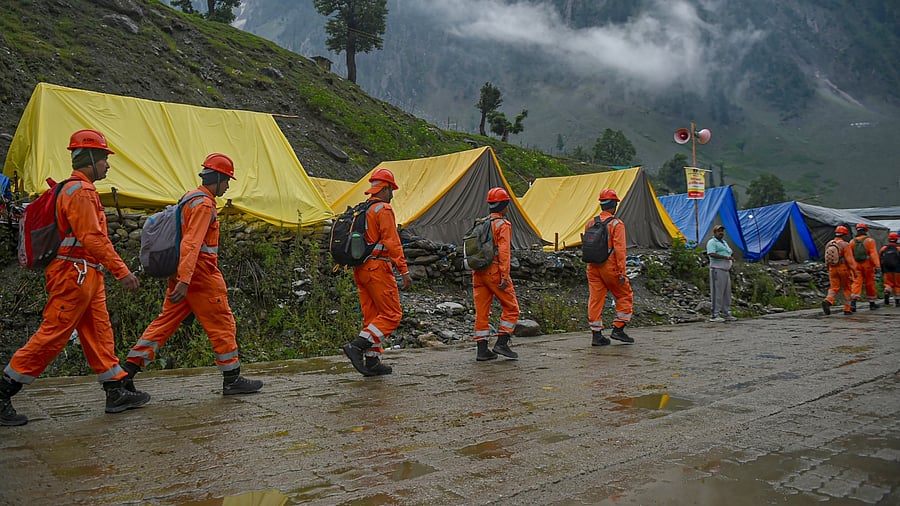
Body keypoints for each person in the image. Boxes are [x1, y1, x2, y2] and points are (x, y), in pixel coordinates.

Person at [1, 129, 149, 426]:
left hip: (84, 274)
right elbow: (93, 239)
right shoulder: (80, 192)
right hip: (74, 275)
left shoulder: (74, 190)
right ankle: (4, 391)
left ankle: (115, 390)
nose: (108, 164)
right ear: (91, 159)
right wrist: (123, 272)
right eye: (105, 158)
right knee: (53, 335)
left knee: (99, 331)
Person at [121, 153, 262, 396]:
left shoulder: (189, 198)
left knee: (163, 324)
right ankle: (232, 378)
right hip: (200, 276)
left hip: (183, 275)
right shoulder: (205, 204)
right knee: (222, 323)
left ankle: (126, 373)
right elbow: (191, 244)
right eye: (226, 180)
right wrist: (186, 280)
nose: (227, 185)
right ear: (216, 178)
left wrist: (181, 278)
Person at [342, 168, 412, 376]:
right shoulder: (383, 210)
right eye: (391, 190)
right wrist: (404, 270)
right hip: (378, 269)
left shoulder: (363, 209)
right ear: (386, 188)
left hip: (361, 269)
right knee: (392, 315)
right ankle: (357, 346)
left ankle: (372, 360)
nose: (392, 194)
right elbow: (392, 241)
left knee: (373, 316)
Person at [472, 187, 520, 361]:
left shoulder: (481, 223)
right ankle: (502, 342)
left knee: (482, 311)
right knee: (512, 308)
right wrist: (505, 275)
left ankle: (482, 350)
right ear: (504, 205)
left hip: (478, 272)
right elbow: (504, 252)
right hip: (495, 271)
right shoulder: (503, 225)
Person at [586, 189, 634, 346]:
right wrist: (622, 272)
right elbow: (620, 250)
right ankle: (618, 328)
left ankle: (596, 335)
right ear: (614, 205)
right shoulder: (616, 224)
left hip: (592, 266)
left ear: (601, 204)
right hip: (610, 266)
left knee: (595, 300)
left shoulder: (590, 223)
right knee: (625, 295)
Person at [822, 225, 858, 315]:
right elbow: (850, 260)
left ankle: (828, 301)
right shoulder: (845, 244)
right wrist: (855, 271)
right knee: (847, 288)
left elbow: (826, 258)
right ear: (845, 235)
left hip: (832, 268)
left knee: (834, 288)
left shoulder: (829, 243)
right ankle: (847, 309)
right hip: (843, 268)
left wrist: (828, 268)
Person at [706, 225, 737, 322]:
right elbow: (711, 253)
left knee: (726, 293)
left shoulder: (724, 243)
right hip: (717, 269)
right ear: (715, 233)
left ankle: (726, 312)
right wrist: (725, 257)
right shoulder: (712, 242)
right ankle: (715, 314)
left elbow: (729, 252)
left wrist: (730, 257)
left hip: (725, 270)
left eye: (722, 231)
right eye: (719, 231)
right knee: (717, 292)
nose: (721, 233)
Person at [850, 223, 881, 310]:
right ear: (866, 230)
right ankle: (872, 303)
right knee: (869, 283)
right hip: (868, 265)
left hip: (856, 265)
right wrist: (877, 265)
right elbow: (873, 254)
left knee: (856, 283)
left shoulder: (852, 242)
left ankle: (853, 303)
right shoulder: (870, 241)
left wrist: (851, 266)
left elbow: (850, 256)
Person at [879, 232, 900, 307]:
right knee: (897, 285)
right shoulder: (898, 248)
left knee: (888, 284)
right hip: (897, 270)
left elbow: (880, 258)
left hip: (887, 270)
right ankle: (897, 302)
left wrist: (881, 268)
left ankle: (887, 292)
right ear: (897, 239)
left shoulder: (884, 248)